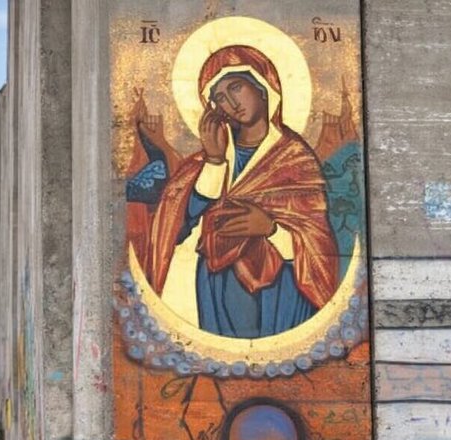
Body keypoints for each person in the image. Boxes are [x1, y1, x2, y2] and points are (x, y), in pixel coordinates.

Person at [135, 44, 339, 338]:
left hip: (279, 287)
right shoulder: (206, 158)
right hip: (216, 281)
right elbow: (178, 224)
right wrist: (215, 161)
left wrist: (270, 228)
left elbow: (318, 240)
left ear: (262, 87)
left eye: (236, 87)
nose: (231, 102)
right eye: (220, 97)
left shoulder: (295, 158)